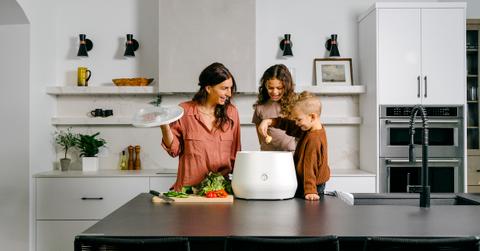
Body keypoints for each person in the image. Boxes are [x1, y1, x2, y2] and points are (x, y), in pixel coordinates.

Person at [160, 62, 241, 191]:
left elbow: (236, 155)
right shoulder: (184, 111)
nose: (229, 94)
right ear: (208, 88)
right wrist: (164, 126)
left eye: (230, 88)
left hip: (220, 191)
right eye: (224, 88)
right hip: (189, 191)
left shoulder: (232, 113)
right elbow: (174, 150)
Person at [258, 91, 330, 201]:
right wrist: (269, 121)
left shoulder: (313, 139)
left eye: (298, 119)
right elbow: (290, 125)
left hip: (310, 185)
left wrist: (310, 190)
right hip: (309, 183)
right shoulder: (310, 129)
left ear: (312, 117)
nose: (296, 123)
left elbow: (309, 166)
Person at [252, 64, 296, 151]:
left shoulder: (295, 105)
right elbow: (261, 138)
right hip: (268, 156)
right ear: (265, 86)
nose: (275, 92)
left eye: (279, 88)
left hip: (291, 155)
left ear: (287, 86)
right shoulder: (260, 107)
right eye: (270, 88)